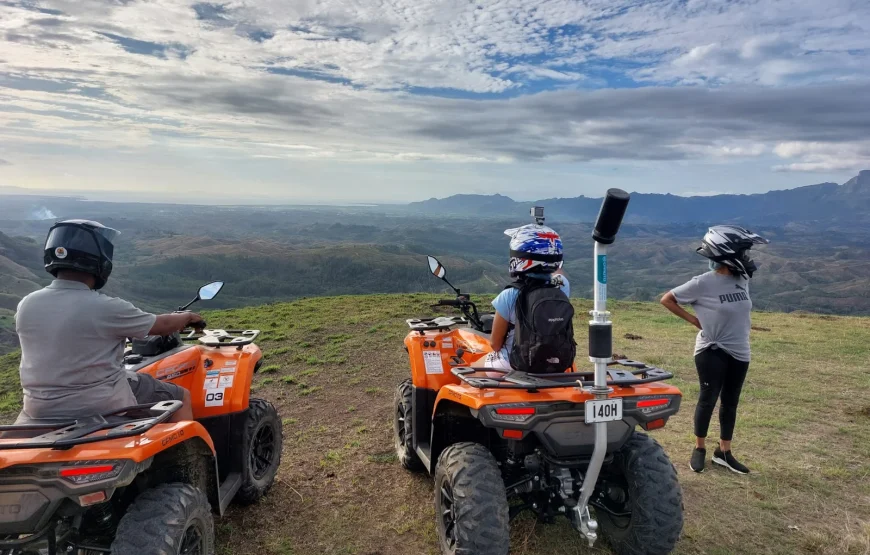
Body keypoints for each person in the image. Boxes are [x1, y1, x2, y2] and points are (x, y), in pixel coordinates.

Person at [14, 219, 203, 424]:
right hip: (98, 402)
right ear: (99, 260)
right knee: (179, 397)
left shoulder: (27, 304)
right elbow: (163, 326)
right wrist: (188, 317)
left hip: (38, 407)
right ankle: (186, 454)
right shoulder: (105, 307)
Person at [660, 225, 769, 474]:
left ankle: (724, 452)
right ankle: (699, 449)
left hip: (740, 349)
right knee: (708, 400)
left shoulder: (742, 279)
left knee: (731, 403)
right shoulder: (702, 283)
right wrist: (694, 321)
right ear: (726, 253)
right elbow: (667, 299)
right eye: (743, 252)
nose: (747, 258)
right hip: (712, 349)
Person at [486, 223, 570, 369]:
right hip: (555, 361)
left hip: (516, 363)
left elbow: (495, 344)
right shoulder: (563, 286)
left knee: (468, 374)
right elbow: (558, 273)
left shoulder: (508, 295)